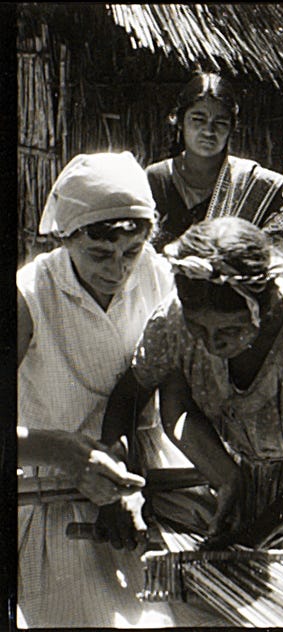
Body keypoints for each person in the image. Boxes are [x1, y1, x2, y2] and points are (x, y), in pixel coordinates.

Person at [104, 216, 283, 611]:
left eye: (227, 332)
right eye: (200, 330)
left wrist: (253, 535)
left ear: (264, 309)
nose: (211, 344)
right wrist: (118, 481)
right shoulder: (175, 320)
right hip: (241, 463)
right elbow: (129, 394)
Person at [17, 151, 225, 628]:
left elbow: (169, 391)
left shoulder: (156, 273)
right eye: (99, 254)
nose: (118, 270)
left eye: (130, 251)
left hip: (145, 482)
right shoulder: (29, 297)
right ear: (66, 238)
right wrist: (64, 451)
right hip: (52, 493)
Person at [145, 71, 283, 264]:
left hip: (230, 291)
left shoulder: (250, 183)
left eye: (220, 123)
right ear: (180, 122)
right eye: (198, 119)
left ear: (232, 128)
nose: (208, 131)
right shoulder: (156, 178)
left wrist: (243, 249)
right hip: (163, 289)